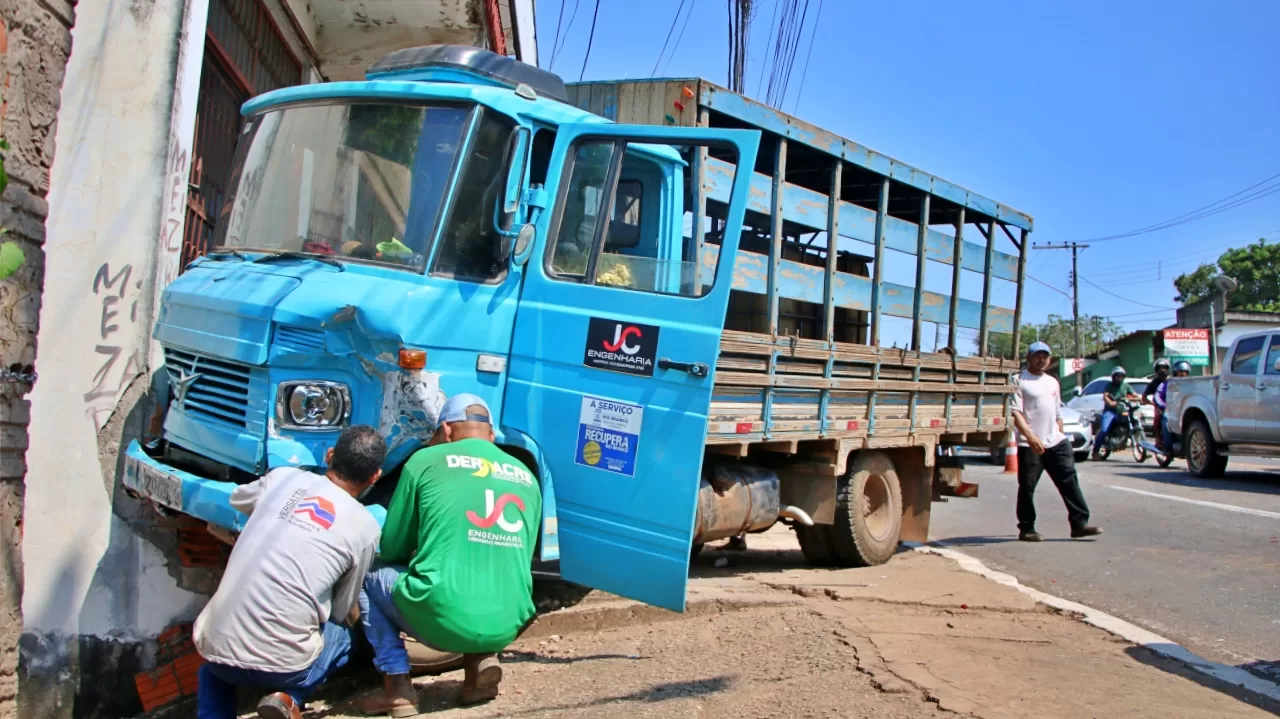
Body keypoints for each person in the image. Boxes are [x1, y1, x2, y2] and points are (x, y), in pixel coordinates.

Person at [359, 394, 541, 715]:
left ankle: (397, 687)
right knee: (483, 565)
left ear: (446, 430)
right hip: (510, 619)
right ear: (492, 435)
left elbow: (393, 546)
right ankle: (480, 661)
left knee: (367, 573)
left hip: (442, 617)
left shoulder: (425, 460)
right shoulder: (526, 475)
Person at [195, 426, 387, 719]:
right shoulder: (366, 528)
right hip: (287, 667)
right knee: (344, 639)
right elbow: (340, 609)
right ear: (375, 476)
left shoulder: (283, 478)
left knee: (212, 673)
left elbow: (238, 499)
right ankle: (288, 697)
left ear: (330, 455)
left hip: (218, 652)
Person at [1010, 342, 1103, 542]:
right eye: (1037, 356)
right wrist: (1030, 436)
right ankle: (1027, 528)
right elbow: (1016, 412)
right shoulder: (1019, 380)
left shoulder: (1052, 381)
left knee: (1069, 481)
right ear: (1028, 358)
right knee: (1027, 486)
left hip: (1056, 442)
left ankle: (1079, 524)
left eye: (1045, 356)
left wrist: (1060, 432)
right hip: (1031, 443)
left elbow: (1057, 411)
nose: (1041, 359)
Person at [1091, 367, 1137, 459]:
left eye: (1120, 376)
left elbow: (1134, 394)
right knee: (1104, 430)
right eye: (1117, 376)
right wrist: (1110, 402)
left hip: (1122, 411)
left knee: (1133, 422)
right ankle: (1095, 451)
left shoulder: (1126, 386)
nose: (1119, 378)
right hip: (1110, 411)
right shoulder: (1109, 385)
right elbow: (1105, 396)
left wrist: (1139, 398)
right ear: (1113, 377)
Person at [1157, 360, 1192, 451]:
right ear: (1176, 372)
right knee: (1166, 419)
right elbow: (1157, 396)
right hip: (1171, 410)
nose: (1183, 374)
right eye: (1181, 372)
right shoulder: (1168, 383)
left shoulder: (1191, 384)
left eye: (1185, 372)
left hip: (1186, 410)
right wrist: (1163, 405)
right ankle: (1167, 447)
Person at [1143, 359, 1172, 449]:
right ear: (1156, 370)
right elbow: (1144, 397)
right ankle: (1158, 440)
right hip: (1161, 407)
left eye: (1164, 368)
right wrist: (1153, 404)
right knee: (1157, 420)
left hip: (1175, 406)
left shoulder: (1173, 380)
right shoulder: (1154, 383)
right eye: (1160, 368)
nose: (1162, 370)